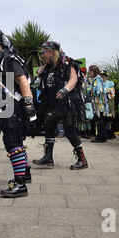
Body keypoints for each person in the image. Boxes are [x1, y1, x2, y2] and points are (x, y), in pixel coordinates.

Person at [0, 28, 36, 198]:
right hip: (4, 104)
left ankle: (20, 184)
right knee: (15, 140)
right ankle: (25, 173)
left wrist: (28, 104)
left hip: (12, 104)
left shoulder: (9, 58)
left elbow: (21, 80)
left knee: (12, 140)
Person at [32, 41, 88, 170]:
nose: (42, 56)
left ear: (51, 51)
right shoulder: (49, 67)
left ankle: (82, 160)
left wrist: (65, 89)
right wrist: (40, 75)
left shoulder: (67, 63)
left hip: (67, 103)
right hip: (53, 104)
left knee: (69, 131)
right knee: (48, 125)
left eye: (43, 53)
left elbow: (73, 78)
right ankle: (48, 157)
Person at [87, 65, 109, 143]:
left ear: (94, 71)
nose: (89, 72)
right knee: (98, 120)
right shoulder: (96, 79)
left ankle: (101, 137)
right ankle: (101, 136)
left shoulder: (97, 79)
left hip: (98, 103)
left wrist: (89, 87)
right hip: (97, 103)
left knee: (99, 120)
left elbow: (99, 90)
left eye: (90, 70)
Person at [101, 70, 116, 139]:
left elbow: (113, 92)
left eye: (104, 75)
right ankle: (104, 134)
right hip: (101, 103)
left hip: (109, 102)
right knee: (102, 118)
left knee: (109, 118)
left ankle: (110, 134)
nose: (102, 77)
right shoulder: (99, 84)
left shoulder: (110, 83)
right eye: (101, 75)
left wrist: (107, 90)